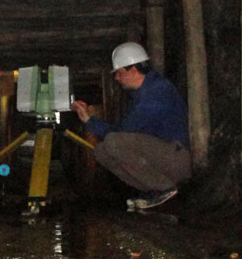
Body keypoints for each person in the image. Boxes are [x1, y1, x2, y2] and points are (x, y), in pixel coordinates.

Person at [71, 42, 191, 211]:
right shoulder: (143, 93)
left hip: (176, 159)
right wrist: (89, 120)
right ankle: (152, 189)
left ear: (133, 69)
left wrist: (90, 122)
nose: (116, 78)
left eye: (119, 73)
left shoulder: (156, 92)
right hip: (162, 157)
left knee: (113, 141)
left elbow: (123, 132)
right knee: (101, 150)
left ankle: (164, 188)